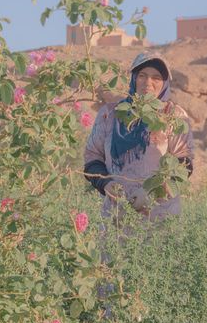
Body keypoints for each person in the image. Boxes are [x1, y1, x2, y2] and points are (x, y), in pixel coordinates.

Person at [83, 53, 194, 223]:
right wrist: (105, 184)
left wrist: (151, 190)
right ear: (134, 78)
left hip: (160, 217)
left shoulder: (172, 116)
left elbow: (184, 164)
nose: (148, 82)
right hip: (116, 216)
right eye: (142, 75)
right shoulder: (110, 114)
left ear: (164, 83)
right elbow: (92, 158)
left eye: (156, 77)